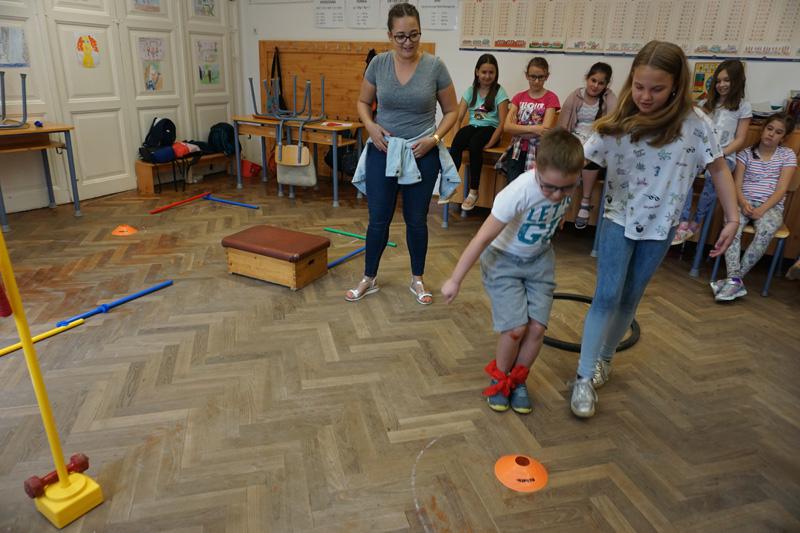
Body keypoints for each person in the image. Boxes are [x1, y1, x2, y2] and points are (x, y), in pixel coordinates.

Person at [569, 40, 740, 419]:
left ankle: (604, 360)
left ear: (677, 85)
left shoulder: (696, 124)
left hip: (661, 227)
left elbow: (717, 168)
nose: (645, 97)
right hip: (618, 218)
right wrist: (541, 186)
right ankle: (583, 376)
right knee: (607, 295)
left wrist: (732, 218)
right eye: (640, 87)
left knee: (630, 296)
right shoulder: (618, 123)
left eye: (657, 89)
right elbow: (579, 160)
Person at [441, 129, 584, 414]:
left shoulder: (565, 182)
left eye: (566, 188)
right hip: (503, 261)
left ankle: (518, 380)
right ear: (536, 168)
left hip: (540, 261)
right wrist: (455, 279)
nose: (557, 195)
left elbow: (555, 211)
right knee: (516, 329)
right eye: (549, 187)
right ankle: (500, 378)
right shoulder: (518, 192)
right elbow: (481, 238)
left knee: (537, 328)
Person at [348, 2, 458, 305]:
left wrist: (434, 139)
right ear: (389, 35)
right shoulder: (378, 64)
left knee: (416, 220)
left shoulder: (435, 67)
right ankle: (369, 277)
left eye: (414, 35)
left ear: (420, 32)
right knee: (378, 220)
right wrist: (371, 126)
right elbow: (362, 102)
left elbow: (452, 111)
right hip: (383, 151)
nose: (407, 42)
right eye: (400, 36)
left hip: (422, 153)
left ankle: (417, 279)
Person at [712, 113, 797, 301]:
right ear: (763, 129)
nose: (771, 134)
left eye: (778, 132)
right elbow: (737, 185)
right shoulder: (745, 154)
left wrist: (762, 209)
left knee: (765, 231)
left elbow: (781, 189)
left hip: (770, 207)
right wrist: (743, 203)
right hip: (743, 202)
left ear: (783, 137)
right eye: (769, 129)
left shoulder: (787, 155)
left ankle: (734, 280)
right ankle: (734, 279)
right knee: (732, 226)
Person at [673, 60, 752, 245]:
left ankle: (696, 222)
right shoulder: (705, 104)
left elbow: (740, 139)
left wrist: (720, 154)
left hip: (725, 156)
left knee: (712, 178)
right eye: (718, 81)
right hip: (701, 154)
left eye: (727, 80)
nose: (721, 84)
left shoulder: (743, 106)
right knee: (684, 172)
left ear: (737, 81)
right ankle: (683, 220)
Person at [557, 62, 617, 229]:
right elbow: (563, 125)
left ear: (606, 85)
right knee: (572, 154)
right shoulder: (576, 96)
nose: (596, 86)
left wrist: (609, 96)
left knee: (590, 153)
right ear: (587, 78)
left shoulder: (609, 98)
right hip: (575, 138)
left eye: (601, 83)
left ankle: (585, 200)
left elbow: (613, 123)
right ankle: (562, 201)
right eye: (593, 80)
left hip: (597, 140)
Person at [449, 54, 509, 211]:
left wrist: (491, 142)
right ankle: (449, 183)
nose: (487, 76)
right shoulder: (471, 91)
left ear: (496, 73)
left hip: (490, 130)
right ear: (477, 72)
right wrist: (457, 137)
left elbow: (502, 123)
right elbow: (458, 118)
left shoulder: (500, 92)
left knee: (475, 145)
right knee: (458, 141)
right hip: (474, 127)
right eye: (484, 72)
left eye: (491, 72)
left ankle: (473, 192)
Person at [500, 57, 560, 182]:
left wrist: (518, 129)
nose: (536, 81)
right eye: (533, 77)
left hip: (538, 152)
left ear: (547, 76)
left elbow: (544, 130)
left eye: (541, 77)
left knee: (533, 187)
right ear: (527, 76)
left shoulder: (551, 98)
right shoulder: (518, 97)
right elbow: (507, 127)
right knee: (514, 186)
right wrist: (535, 128)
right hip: (516, 150)